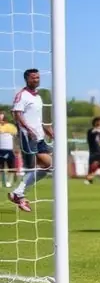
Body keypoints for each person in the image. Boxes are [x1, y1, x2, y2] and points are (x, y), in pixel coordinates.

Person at [9, 69, 53, 212]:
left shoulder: (38, 97)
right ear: (27, 79)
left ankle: (18, 193)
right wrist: (28, 130)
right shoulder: (22, 95)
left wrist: (49, 132)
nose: (36, 80)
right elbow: (17, 114)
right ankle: (18, 193)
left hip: (39, 136)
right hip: (28, 137)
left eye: (38, 77)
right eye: (33, 78)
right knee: (48, 164)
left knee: (46, 168)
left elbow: (38, 120)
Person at [0, 112, 16, 189]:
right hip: (0, 150)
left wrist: (16, 149)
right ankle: (2, 182)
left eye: (2, 118)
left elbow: (14, 136)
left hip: (9, 150)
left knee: (12, 167)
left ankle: (9, 182)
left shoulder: (11, 127)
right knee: (1, 167)